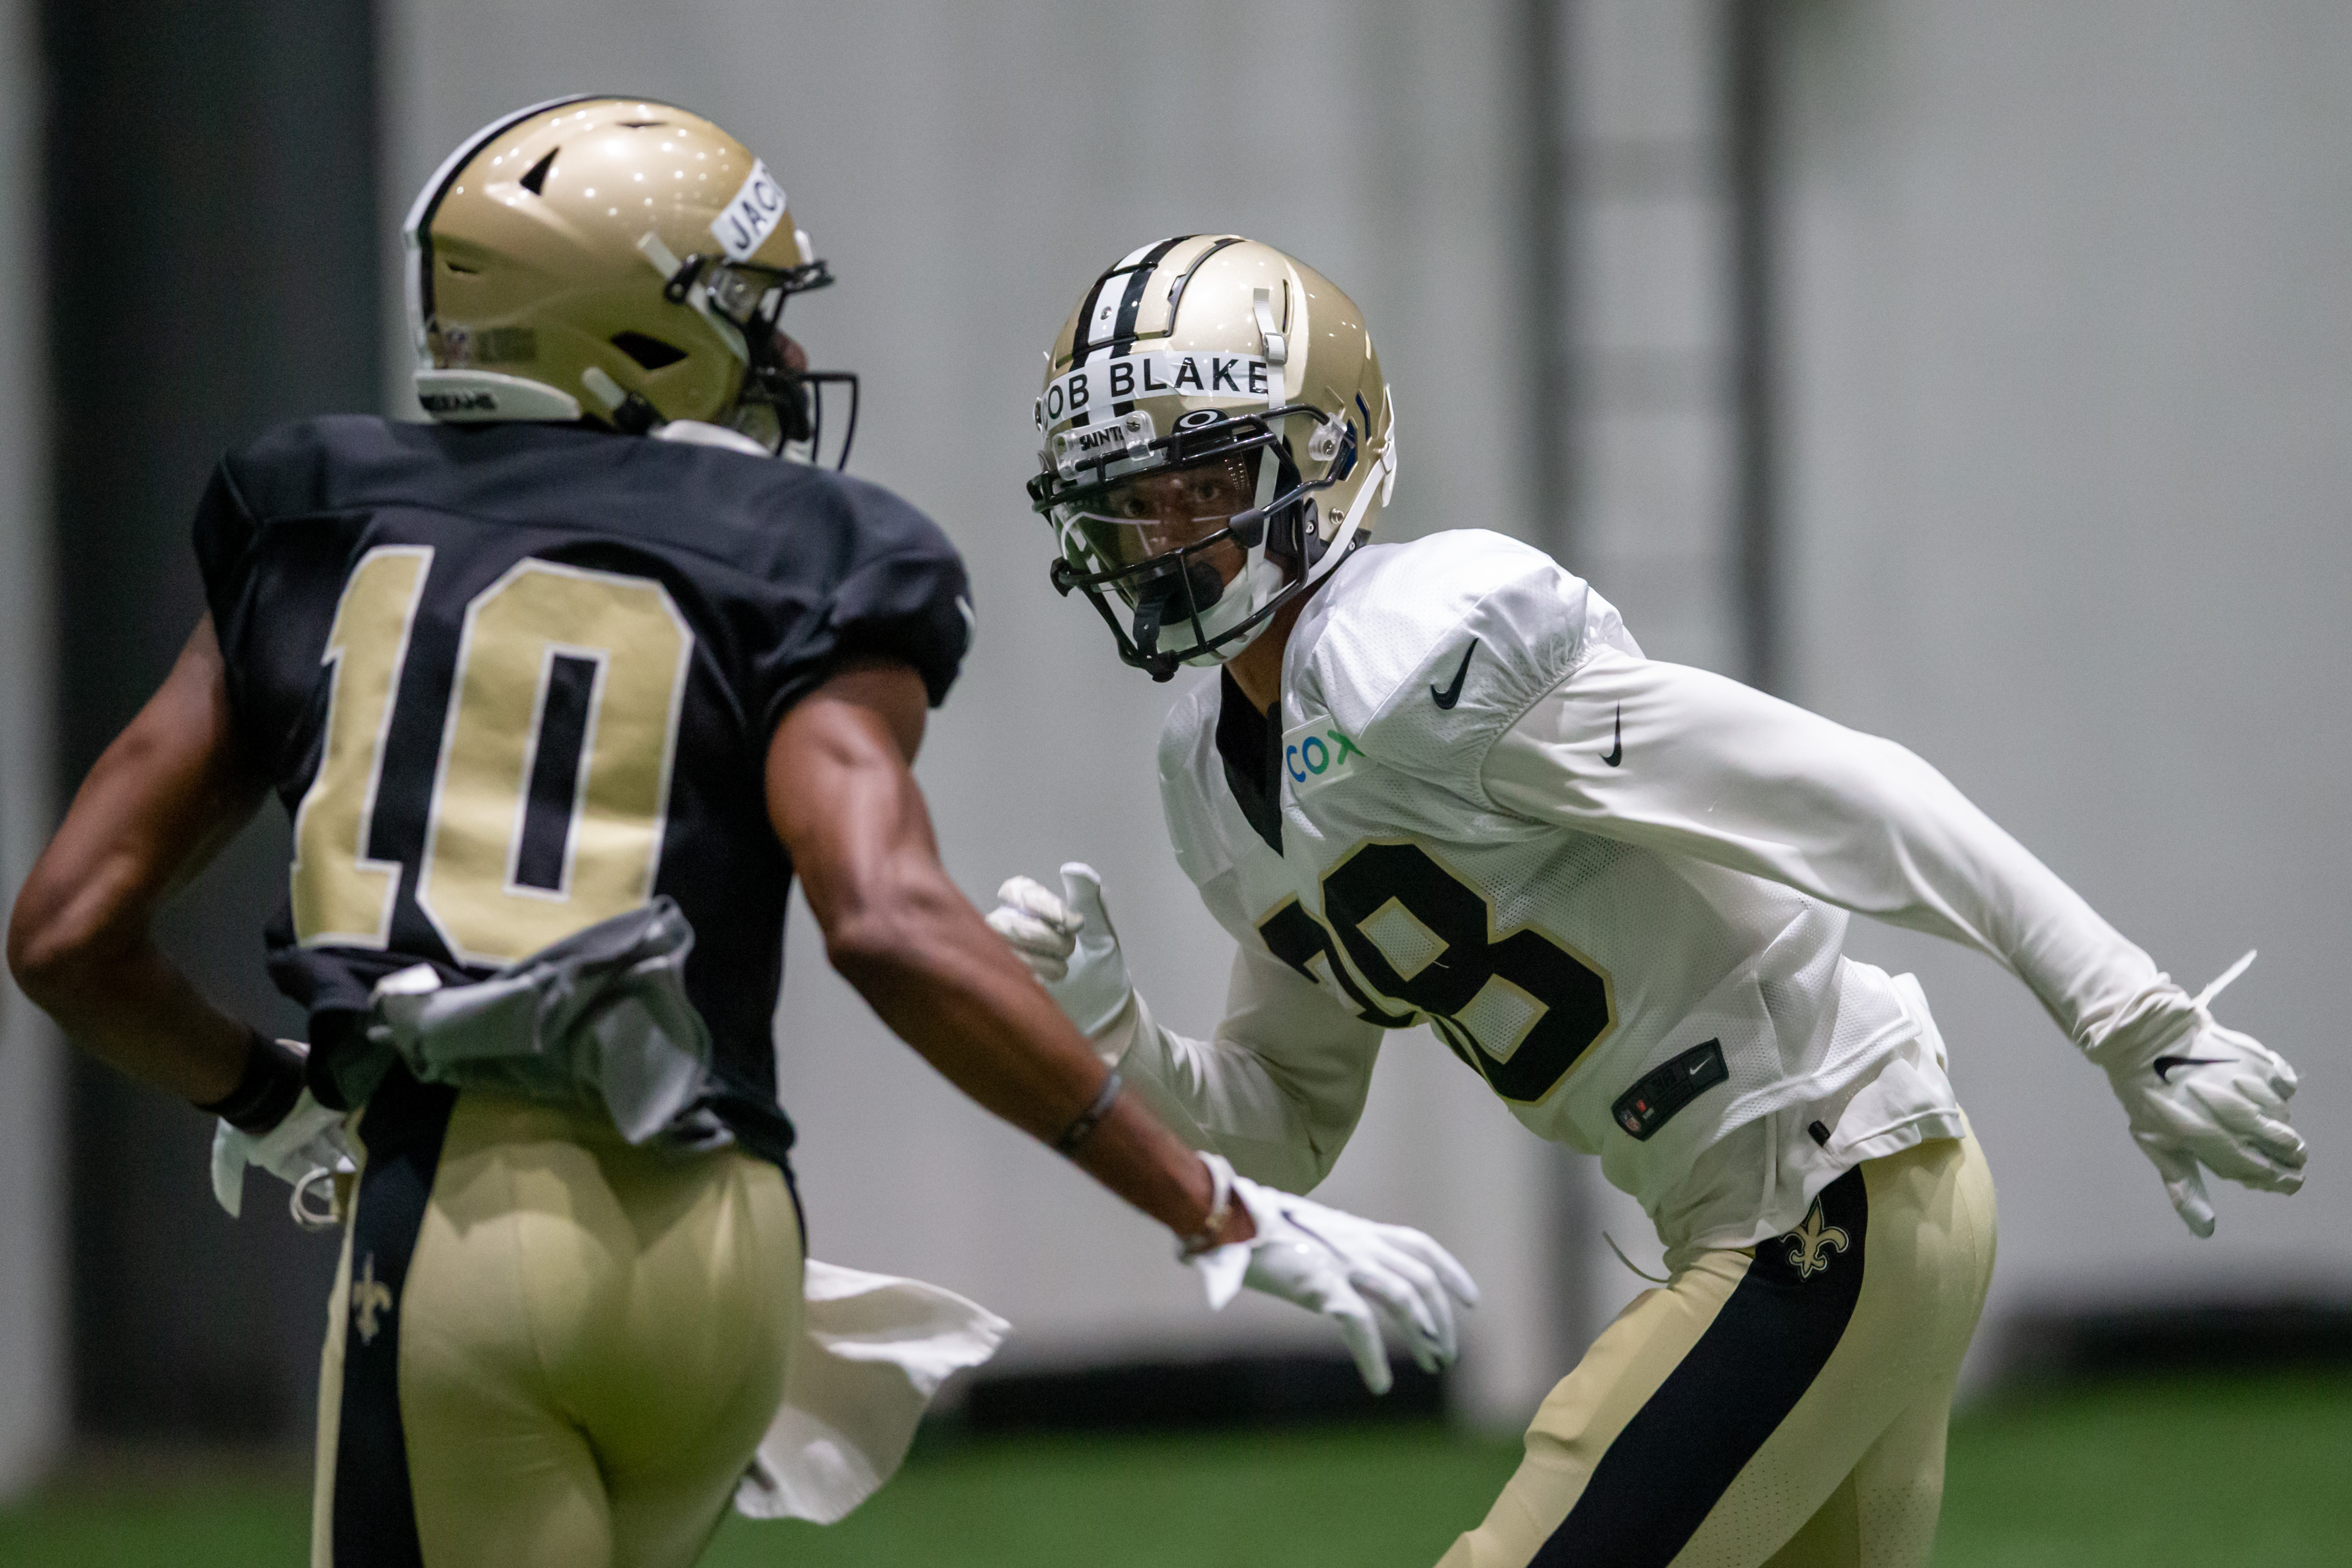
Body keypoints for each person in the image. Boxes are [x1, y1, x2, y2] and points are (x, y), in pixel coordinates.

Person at [5, 115, 1474, 1568]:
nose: (777, 360)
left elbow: (68, 933)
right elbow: (889, 919)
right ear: (621, 325)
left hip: (468, 1219)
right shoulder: (809, 542)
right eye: (742, 314)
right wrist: (1198, 1200)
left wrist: (264, 1095)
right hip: (727, 1257)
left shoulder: (309, 511)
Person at [986, 234, 2308, 1568]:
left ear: (1324, 456)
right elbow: (1286, 1123)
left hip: (1823, 1184)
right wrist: (1112, 1033)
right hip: (1817, 1205)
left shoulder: (1428, 655)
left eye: (1198, 480)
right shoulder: (1209, 778)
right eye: (1131, 497)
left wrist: (2130, 1014)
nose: (1160, 536)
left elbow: (1852, 794)